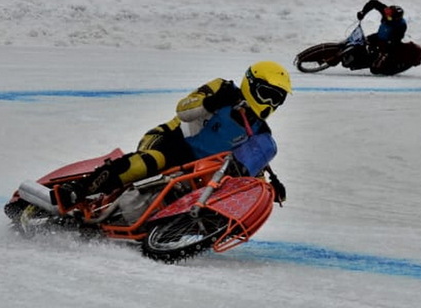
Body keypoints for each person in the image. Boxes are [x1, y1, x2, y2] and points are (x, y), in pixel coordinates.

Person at [53, 61, 293, 209]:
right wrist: (211, 102)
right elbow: (183, 109)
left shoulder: (260, 132)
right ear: (250, 84)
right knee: (149, 163)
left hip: (198, 169)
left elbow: (248, 166)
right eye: (266, 94)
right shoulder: (223, 88)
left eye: (277, 99)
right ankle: (78, 190)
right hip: (171, 141)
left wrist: (265, 189)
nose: (270, 103)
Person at [340, 0, 406, 70]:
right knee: (362, 41)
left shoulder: (400, 26)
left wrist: (382, 48)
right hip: (379, 35)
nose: (386, 17)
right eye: (386, 15)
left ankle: (367, 62)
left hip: (388, 42)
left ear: (396, 19)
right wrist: (363, 12)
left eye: (389, 17)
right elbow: (374, 3)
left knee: (376, 57)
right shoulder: (387, 13)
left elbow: (395, 40)